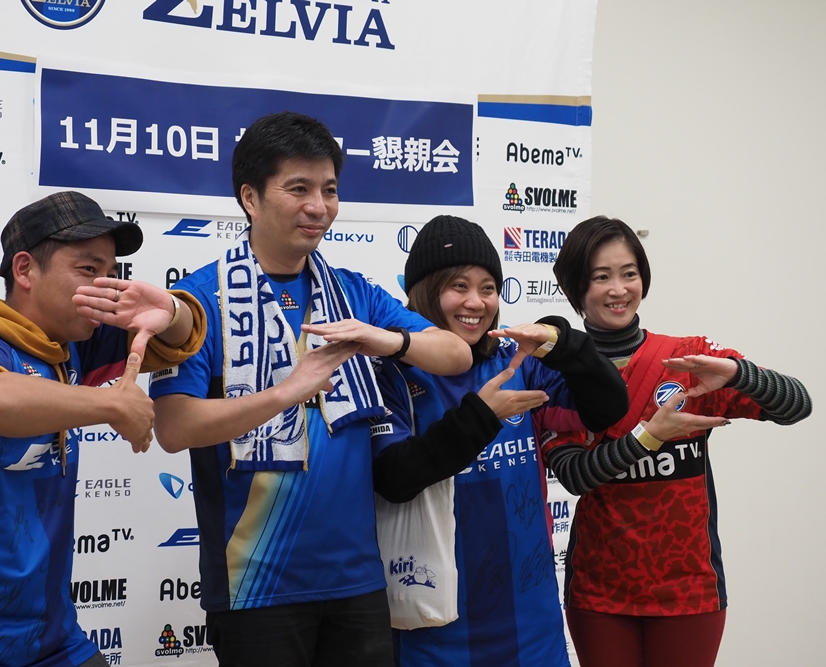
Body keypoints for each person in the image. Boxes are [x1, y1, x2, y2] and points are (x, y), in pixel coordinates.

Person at [150, 111, 472, 666]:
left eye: (329, 189)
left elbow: (456, 354)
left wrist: (386, 340)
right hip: (254, 583)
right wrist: (283, 394)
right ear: (250, 198)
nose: (319, 207)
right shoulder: (200, 302)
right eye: (299, 189)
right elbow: (174, 428)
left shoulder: (353, 295)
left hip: (357, 580)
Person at [0, 191, 206, 667]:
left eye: (113, 272)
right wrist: (110, 404)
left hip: (51, 635)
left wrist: (171, 311)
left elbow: (177, 340)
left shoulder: (70, 344)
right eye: (88, 269)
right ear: (25, 270)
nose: (106, 286)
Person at [543, 215, 812, 667]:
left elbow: (797, 406)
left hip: (689, 590)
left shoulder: (687, 357)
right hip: (599, 592)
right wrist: (649, 437)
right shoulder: (558, 373)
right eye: (601, 277)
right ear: (576, 287)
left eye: (629, 273)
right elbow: (576, 476)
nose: (618, 289)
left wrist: (738, 374)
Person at [369, 215, 629, 667]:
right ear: (425, 291)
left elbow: (608, 408)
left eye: (488, 287)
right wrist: (481, 418)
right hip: (434, 622)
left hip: (531, 621)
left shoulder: (516, 360)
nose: (476, 301)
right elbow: (393, 478)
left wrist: (563, 342)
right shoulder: (392, 372)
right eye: (459, 286)